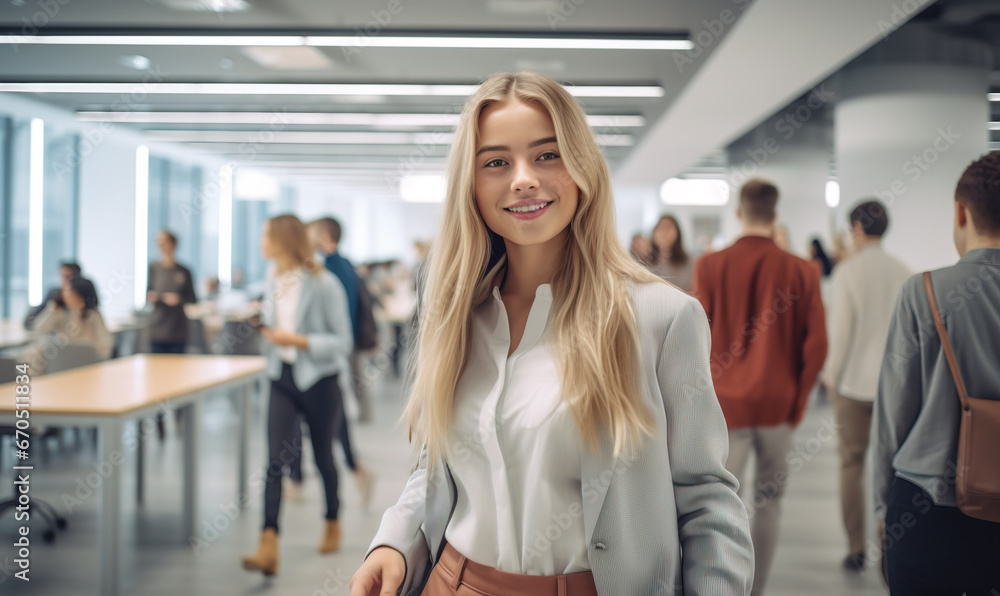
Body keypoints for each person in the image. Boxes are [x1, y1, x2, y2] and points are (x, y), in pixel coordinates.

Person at [350, 71, 752, 596]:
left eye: (547, 155)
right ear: (471, 183)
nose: (522, 179)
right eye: (496, 162)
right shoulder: (456, 314)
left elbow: (705, 499)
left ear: (583, 167)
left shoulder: (659, 317)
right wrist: (393, 543)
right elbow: (438, 464)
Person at [691, 178, 827, 596]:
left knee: (718, 505)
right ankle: (757, 589)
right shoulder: (802, 270)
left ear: (739, 213)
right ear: (775, 215)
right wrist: (799, 401)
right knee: (769, 503)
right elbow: (817, 345)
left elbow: (694, 338)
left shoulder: (711, 266)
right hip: (777, 406)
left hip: (724, 408)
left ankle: (720, 586)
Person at [872, 152, 1000, 595]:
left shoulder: (923, 291)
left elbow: (894, 410)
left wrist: (880, 505)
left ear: (961, 213)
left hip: (926, 503)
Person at [241, 214, 354, 577]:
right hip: (282, 377)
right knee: (275, 461)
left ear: (283, 239)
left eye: (265, 235)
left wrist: (300, 341)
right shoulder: (272, 278)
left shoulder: (324, 283)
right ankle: (267, 543)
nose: (261, 242)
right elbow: (279, 326)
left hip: (320, 379)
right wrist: (268, 329)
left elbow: (343, 341)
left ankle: (332, 519)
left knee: (323, 456)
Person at [820, 199, 911, 572]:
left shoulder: (848, 273)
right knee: (893, 467)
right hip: (897, 386)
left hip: (854, 384)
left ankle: (856, 547)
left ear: (857, 228)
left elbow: (841, 333)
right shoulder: (904, 272)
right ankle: (888, 543)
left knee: (851, 464)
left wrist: (830, 374)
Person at [279, 217, 374, 508]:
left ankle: (299, 478)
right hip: (329, 354)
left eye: (312, 234)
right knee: (336, 415)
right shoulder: (344, 266)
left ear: (324, 238)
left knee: (315, 416)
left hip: (324, 354)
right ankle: (353, 468)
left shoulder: (328, 273)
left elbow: (332, 320)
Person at [147, 230, 197, 439]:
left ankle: (178, 416)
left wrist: (178, 300)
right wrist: (158, 297)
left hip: (177, 330)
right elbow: (148, 294)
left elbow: (193, 299)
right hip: (158, 329)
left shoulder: (184, 270)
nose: (162, 245)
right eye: (159, 242)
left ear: (173, 244)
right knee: (157, 380)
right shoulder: (154, 268)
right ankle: (159, 422)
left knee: (178, 378)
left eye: (165, 241)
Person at [21, 277, 112, 374]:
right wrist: (51, 311)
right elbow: (39, 329)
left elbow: (104, 343)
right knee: (31, 355)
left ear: (80, 295)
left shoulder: (93, 315)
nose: (65, 295)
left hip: (85, 360)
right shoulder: (60, 312)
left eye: (69, 292)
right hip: (61, 358)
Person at [23, 261, 81, 330]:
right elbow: (39, 314)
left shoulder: (83, 296)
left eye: (67, 276)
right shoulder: (54, 294)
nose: (64, 279)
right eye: (62, 275)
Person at [647, 215, 694, 291]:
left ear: (677, 233)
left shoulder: (688, 262)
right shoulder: (646, 263)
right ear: (654, 234)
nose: (664, 232)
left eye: (668, 228)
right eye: (661, 228)